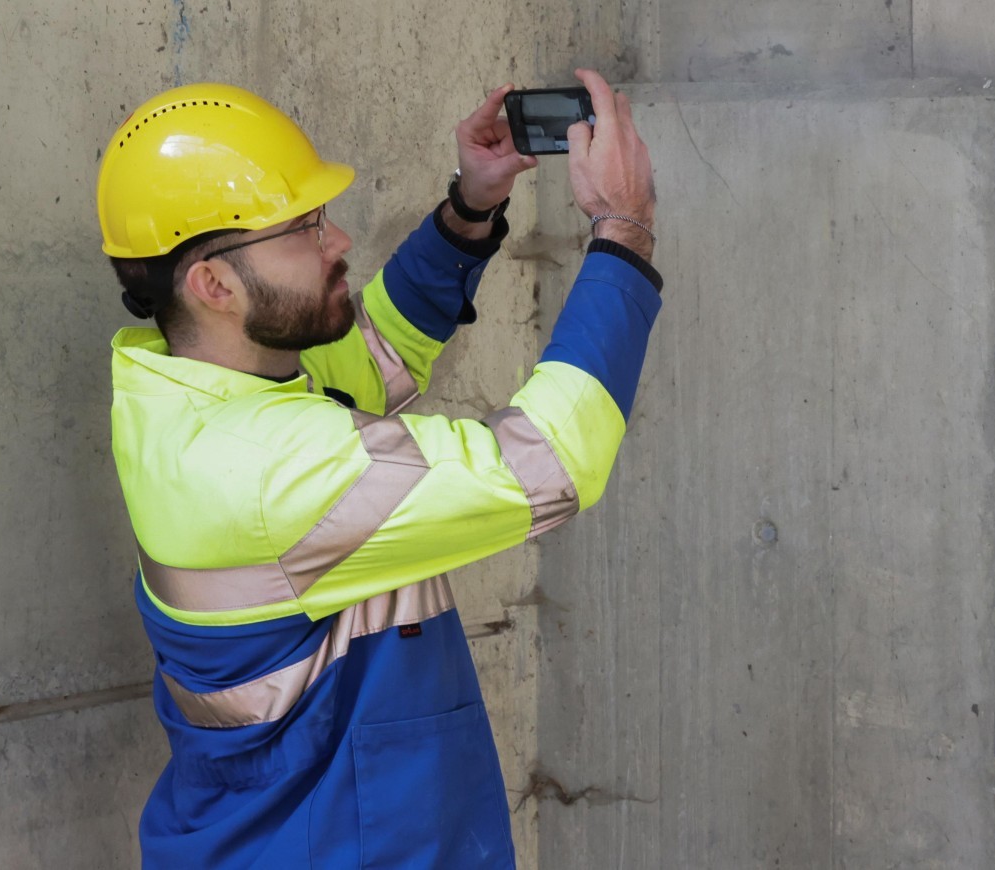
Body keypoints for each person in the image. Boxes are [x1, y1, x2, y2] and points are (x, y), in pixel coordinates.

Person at [95, 72, 659, 868]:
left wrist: (471, 209)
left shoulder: (182, 382)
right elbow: (549, 464)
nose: (339, 242)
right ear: (214, 282)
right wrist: (622, 230)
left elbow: (371, 351)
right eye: (303, 229)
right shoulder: (267, 470)